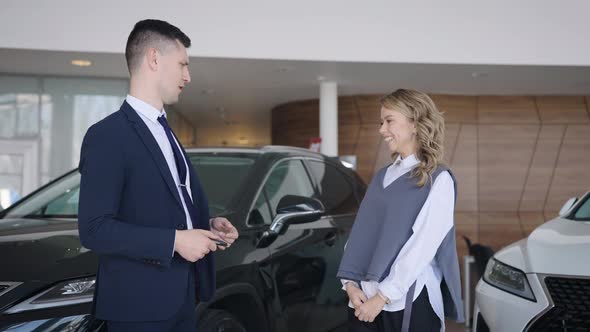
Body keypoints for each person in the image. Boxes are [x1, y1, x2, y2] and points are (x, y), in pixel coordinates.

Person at [77, 19, 239, 332]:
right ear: (154, 58)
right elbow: (94, 229)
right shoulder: (107, 135)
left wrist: (205, 228)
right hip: (138, 308)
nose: (188, 76)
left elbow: (158, 207)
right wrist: (176, 241)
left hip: (183, 298)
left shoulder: (166, 132)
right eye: (182, 64)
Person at [337, 89, 464, 332]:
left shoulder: (439, 179)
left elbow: (423, 245)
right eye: (381, 122)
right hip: (365, 298)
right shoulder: (383, 176)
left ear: (415, 123)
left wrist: (383, 297)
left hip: (408, 300)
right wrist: (350, 285)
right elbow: (361, 235)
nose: (382, 130)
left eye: (389, 121)